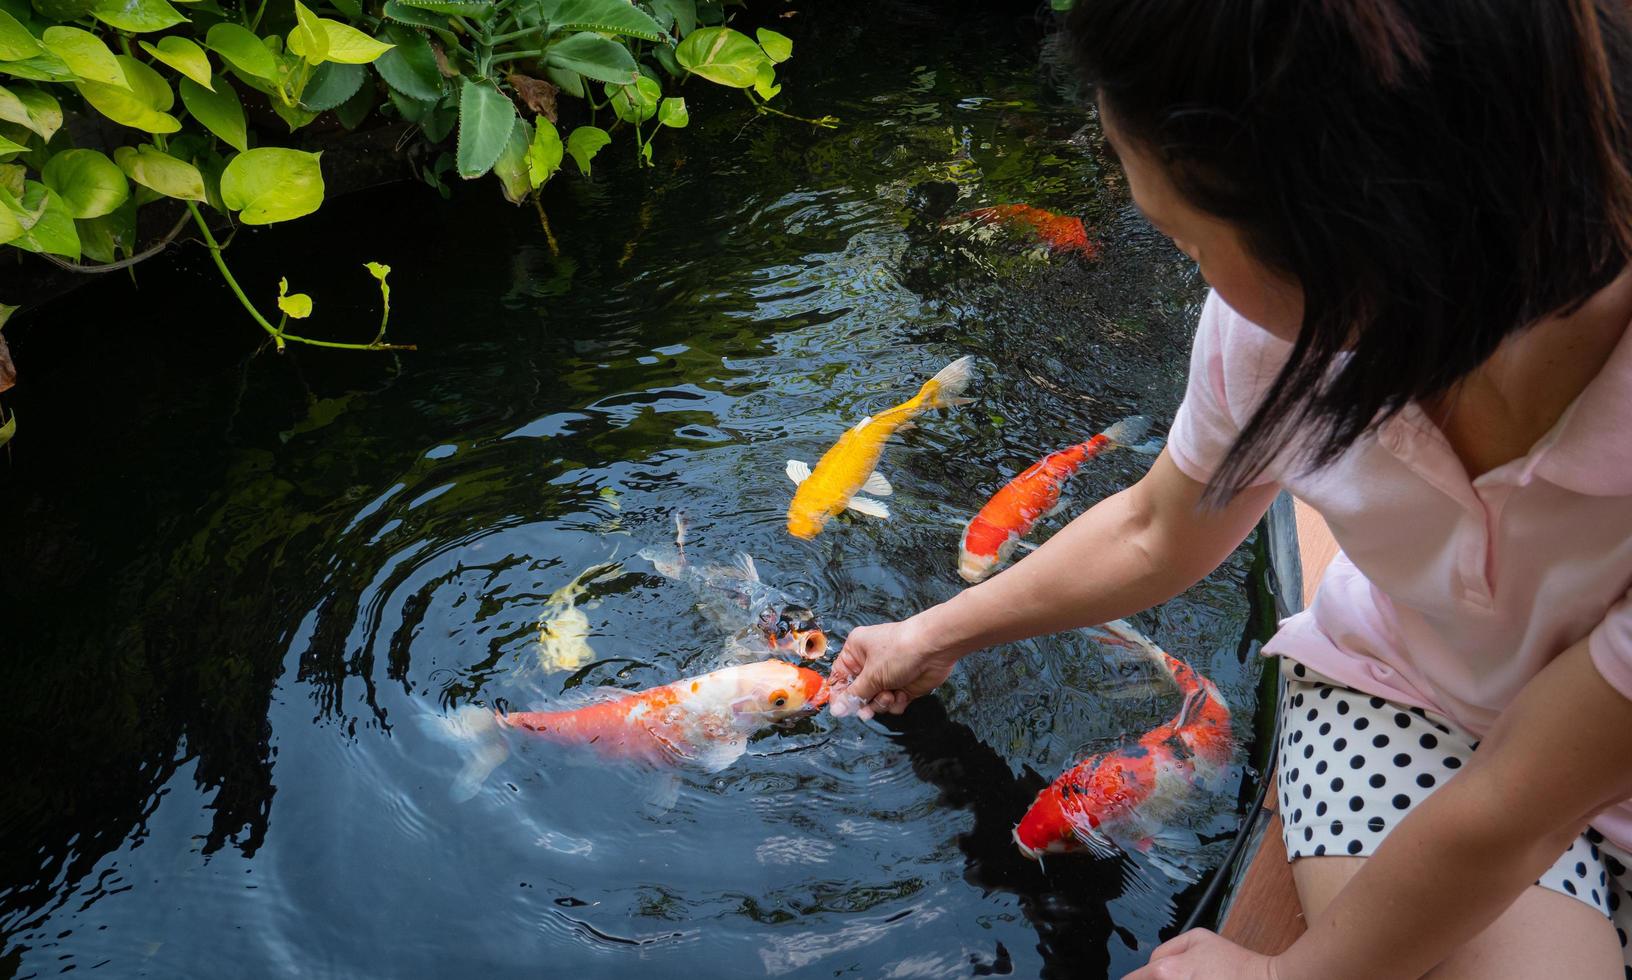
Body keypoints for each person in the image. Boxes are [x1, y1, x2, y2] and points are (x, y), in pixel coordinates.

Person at [827, 1, 1632, 977]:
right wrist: (934, 631)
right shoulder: (1278, 330)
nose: (1192, 277)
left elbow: (1524, 802)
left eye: (1192, 242)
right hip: (1413, 690)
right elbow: (1157, 526)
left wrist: (1282, 974)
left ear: (1353, 234)